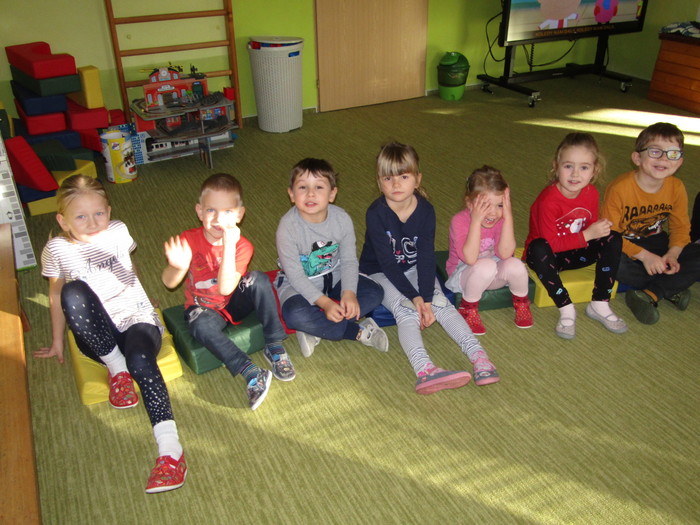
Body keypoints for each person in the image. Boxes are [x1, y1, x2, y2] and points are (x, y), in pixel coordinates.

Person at [35, 175, 186, 494]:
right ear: (63, 221)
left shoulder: (118, 230)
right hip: (97, 337)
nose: (92, 223)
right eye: (81, 217)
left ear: (109, 211)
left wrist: (143, 296)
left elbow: (127, 265)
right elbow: (56, 294)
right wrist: (57, 340)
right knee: (73, 291)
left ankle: (171, 453)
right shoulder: (57, 248)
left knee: (141, 361)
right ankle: (116, 368)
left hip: (136, 320)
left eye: (99, 213)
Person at [359, 142, 500, 394]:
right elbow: (388, 264)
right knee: (407, 311)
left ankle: (479, 357)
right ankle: (424, 369)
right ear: (379, 182)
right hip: (379, 272)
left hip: (414, 267)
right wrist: (415, 298)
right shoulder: (376, 213)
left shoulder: (425, 210)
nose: (396, 184)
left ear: (417, 179)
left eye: (404, 177)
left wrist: (425, 296)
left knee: (441, 303)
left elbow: (426, 256)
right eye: (388, 178)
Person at [162, 173, 292, 412]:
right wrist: (178, 267)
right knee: (199, 327)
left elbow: (225, 288)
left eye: (228, 212)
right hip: (204, 308)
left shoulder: (242, 246)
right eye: (211, 210)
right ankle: (250, 371)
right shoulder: (188, 239)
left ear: (240, 215)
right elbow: (168, 283)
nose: (218, 219)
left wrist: (229, 245)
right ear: (200, 211)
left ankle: (274, 343)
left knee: (259, 279)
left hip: (233, 299)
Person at [275, 158, 388, 357]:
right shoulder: (287, 227)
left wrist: (349, 293)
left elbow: (349, 261)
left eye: (319, 187)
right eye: (302, 187)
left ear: (332, 194)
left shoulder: (342, 219)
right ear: (291, 194)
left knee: (375, 293)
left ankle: (315, 329)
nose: (311, 193)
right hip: (298, 284)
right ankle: (356, 331)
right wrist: (326, 304)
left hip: (334, 276)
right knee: (293, 315)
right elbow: (296, 276)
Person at [524, 132, 627, 339]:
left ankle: (599, 303)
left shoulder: (591, 193)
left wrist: (598, 231)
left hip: (576, 253)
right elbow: (552, 244)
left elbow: (589, 229)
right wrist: (588, 234)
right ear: (556, 166)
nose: (575, 174)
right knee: (538, 247)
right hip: (549, 259)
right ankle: (566, 308)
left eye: (584, 167)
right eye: (568, 166)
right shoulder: (548, 200)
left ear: (595, 170)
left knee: (613, 238)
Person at [601, 122, 700, 324]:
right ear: (637, 158)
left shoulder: (676, 187)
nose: (664, 158)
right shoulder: (620, 188)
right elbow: (610, 235)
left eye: (673, 153)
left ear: (680, 161)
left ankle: (652, 292)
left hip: (657, 243)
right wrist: (645, 257)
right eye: (655, 152)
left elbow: (681, 228)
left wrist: (673, 254)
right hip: (624, 245)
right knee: (612, 262)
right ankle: (669, 287)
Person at [445, 165, 533, 335]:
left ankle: (522, 303)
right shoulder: (459, 221)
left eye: (499, 205)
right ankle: (467, 308)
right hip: (464, 276)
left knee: (516, 264)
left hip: (493, 272)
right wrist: (476, 222)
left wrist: (508, 217)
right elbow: (470, 259)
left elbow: (505, 254)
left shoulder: (500, 219)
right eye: (485, 205)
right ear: (469, 203)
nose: (493, 213)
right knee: (486, 265)